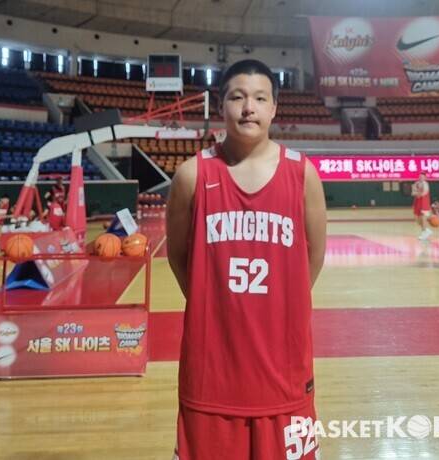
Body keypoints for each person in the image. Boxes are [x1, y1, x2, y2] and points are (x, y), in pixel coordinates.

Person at [166, 59, 327, 460]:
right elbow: (179, 257)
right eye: (237, 97)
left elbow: (314, 257)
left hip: (285, 371)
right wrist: (214, 303)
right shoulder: (192, 175)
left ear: (274, 108)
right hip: (211, 375)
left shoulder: (302, 174)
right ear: (222, 106)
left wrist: (282, 305)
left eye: (259, 98)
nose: (248, 108)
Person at [412, 172, 431, 240]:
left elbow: (424, 192)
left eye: (422, 177)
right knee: (417, 220)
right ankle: (427, 230)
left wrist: (418, 194)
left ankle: (424, 234)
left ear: (425, 178)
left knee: (423, 219)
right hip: (417, 203)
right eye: (420, 177)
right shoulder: (416, 183)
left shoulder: (426, 184)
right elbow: (413, 192)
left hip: (424, 203)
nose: (421, 178)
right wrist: (416, 193)